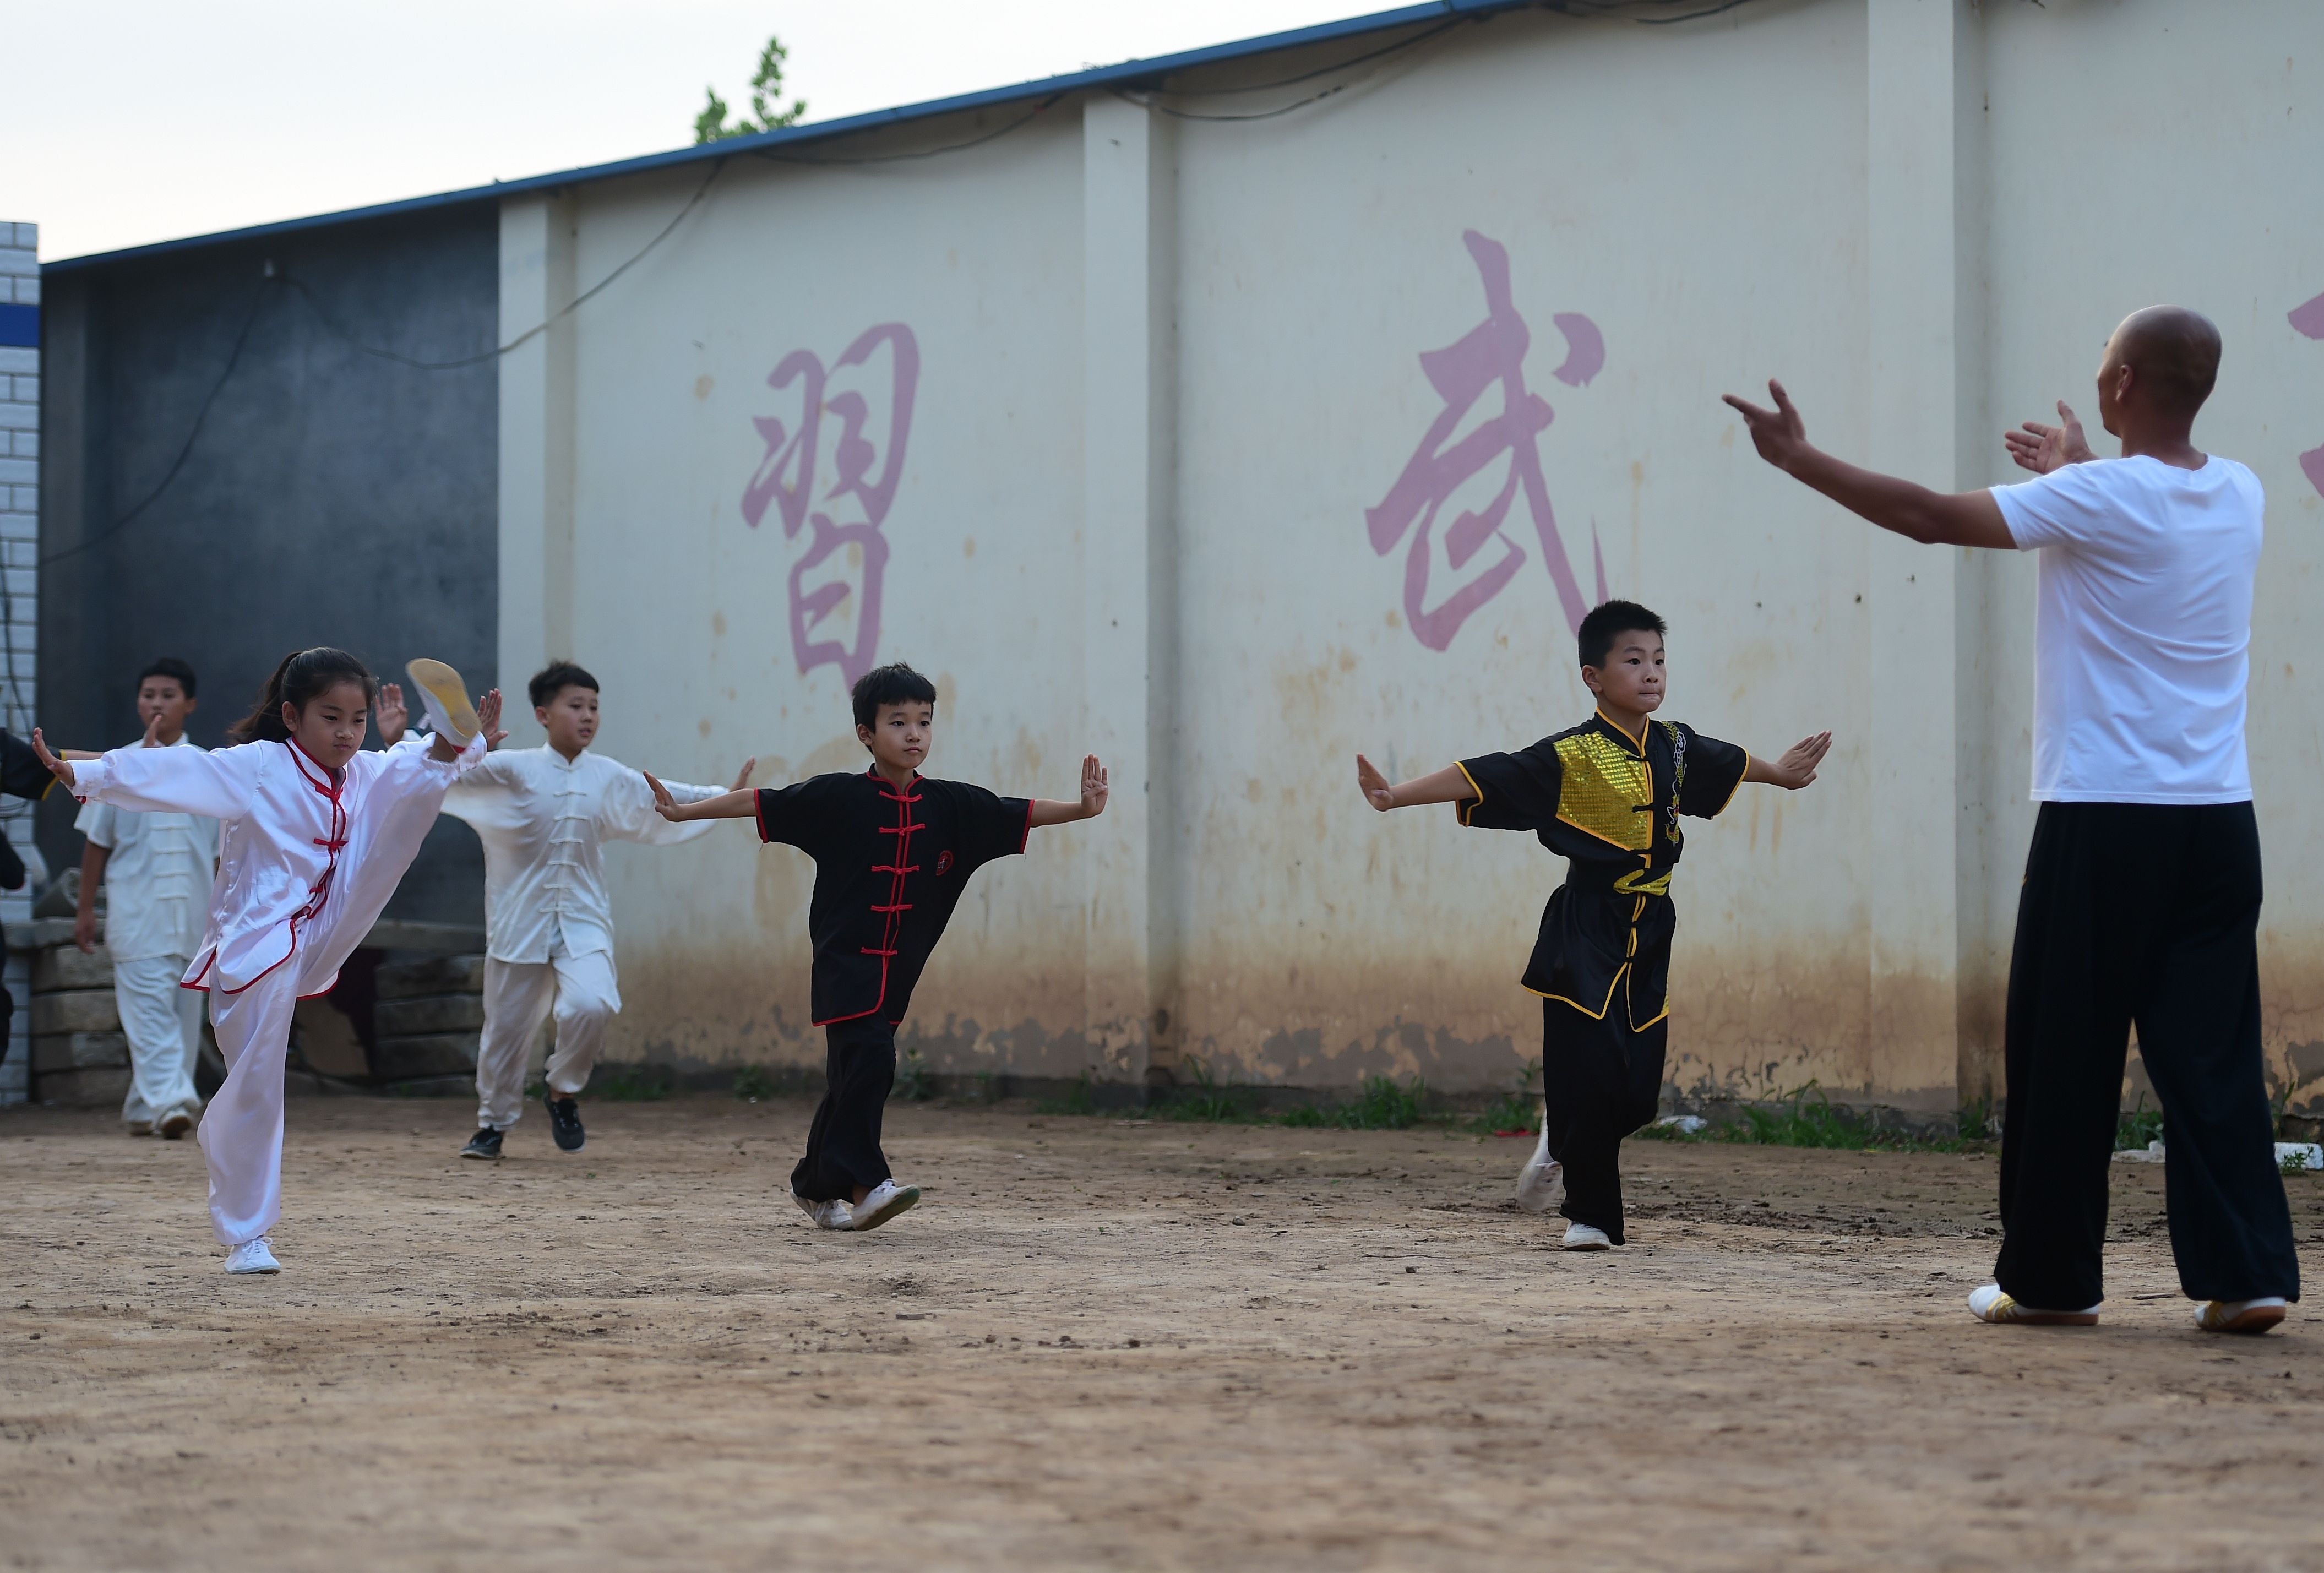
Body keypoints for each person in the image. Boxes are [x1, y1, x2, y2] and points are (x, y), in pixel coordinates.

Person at [1724, 306, 2300, 1335]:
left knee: (2063, 1050)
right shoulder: (2239, 491)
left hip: (2104, 816)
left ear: (2121, 384)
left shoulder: (2097, 496)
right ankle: (2247, 1275)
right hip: (2218, 821)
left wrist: (1797, 458)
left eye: (2105, 366)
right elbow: (2139, 508)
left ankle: (2051, 1280)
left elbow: (1926, 517)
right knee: (2212, 1059)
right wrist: (2078, 469)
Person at [1355, 600, 1829, 1249]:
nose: (1651, 672)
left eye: (1659, 660)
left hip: (1652, 929)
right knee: (1591, 1075)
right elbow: (1483, 775)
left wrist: (1782, 774)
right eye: (1633, 660)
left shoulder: (1675, 745)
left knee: (1637, 1098)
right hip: (1584, 928)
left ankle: (1562, 1136)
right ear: (1594, 677)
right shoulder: (1569, 756)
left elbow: (1731, 762)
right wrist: (1394, 797)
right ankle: (1591, 1217)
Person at [34, 649, 501, 1275]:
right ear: (292, 715)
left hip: (329, 922)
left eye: (357, 719)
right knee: (256, 1078)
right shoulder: (257, 765)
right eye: (330, 717)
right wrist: (81, 771)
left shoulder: (362, 770)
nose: (345, 732)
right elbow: (179, 769)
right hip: (258, 941)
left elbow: (402, 768)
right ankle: (247, 1235)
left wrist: (458, 748)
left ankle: (445, 738)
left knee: (406, 781)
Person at [644, 662, 1109, 1232]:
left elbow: (1020, 811)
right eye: (898, 722)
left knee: (851, 1076)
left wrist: (1082, 809)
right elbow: (760, 802)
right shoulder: (836, 796)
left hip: (898, 975)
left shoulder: (951, 805)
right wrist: (683, 812)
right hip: (842, 965)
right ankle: (868, 1187)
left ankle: (811, 1184)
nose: (914, 734)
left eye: (924, 722)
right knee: (873, 1059)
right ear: (866, 733)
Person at [419, 660, 752, 1160]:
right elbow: (450, 771)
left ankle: (563, 1091)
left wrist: (725, 796)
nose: (588, 715)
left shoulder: (609, 776)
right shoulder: (512, 769)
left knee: (591, 1004)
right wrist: (407, 740)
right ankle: (492, 1126)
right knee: (505, 1033)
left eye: (594, 707)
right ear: (543, 714)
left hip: (583, 921)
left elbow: (666, 796)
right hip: (517, 923)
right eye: (575, 705)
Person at [72, 657, 217, 1140]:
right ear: (137, 702)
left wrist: (229, 915)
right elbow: (97, 843)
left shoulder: (210, 769)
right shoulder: (118, 767)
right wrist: (86, 909)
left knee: (181, 1021)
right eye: (149, 694)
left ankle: (142, 1107)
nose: (157, 703)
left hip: (194, 917)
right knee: (150, 1014)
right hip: (137, 915)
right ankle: (173, 1102)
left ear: (189, 704)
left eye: (168, 695)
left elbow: (222, 853)